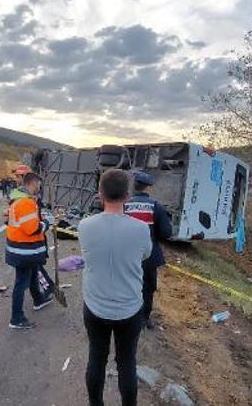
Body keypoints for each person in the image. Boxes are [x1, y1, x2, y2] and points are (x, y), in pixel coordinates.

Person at [78, 169, 152, 406]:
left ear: (100, 194)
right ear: (127, 196)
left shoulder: (84, 226)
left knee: (97, 358)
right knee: (127, 363)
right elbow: (145, 255)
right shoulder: (141, 229)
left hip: (95, 305)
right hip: (130, 308)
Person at [124, 171, 173, 330]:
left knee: (126, 283)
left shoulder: (125, 204)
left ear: (135, 186)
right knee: (147, 287)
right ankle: (143, 318)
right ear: (148, 188)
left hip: (126, 255)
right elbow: (166, 233)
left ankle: (125, 313)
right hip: (148, 256)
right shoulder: (156, 206)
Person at [6, 172, 54, 329]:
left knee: (33, 272)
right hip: (24, 251)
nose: (39, 188)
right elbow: (32, 229)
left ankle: (38, 299)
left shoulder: (17, 199)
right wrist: (47, 223)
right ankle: (16, 318)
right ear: (33, 183)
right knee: (21, 283)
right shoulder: (26, 202)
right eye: (38, 185)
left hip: (22, 249)